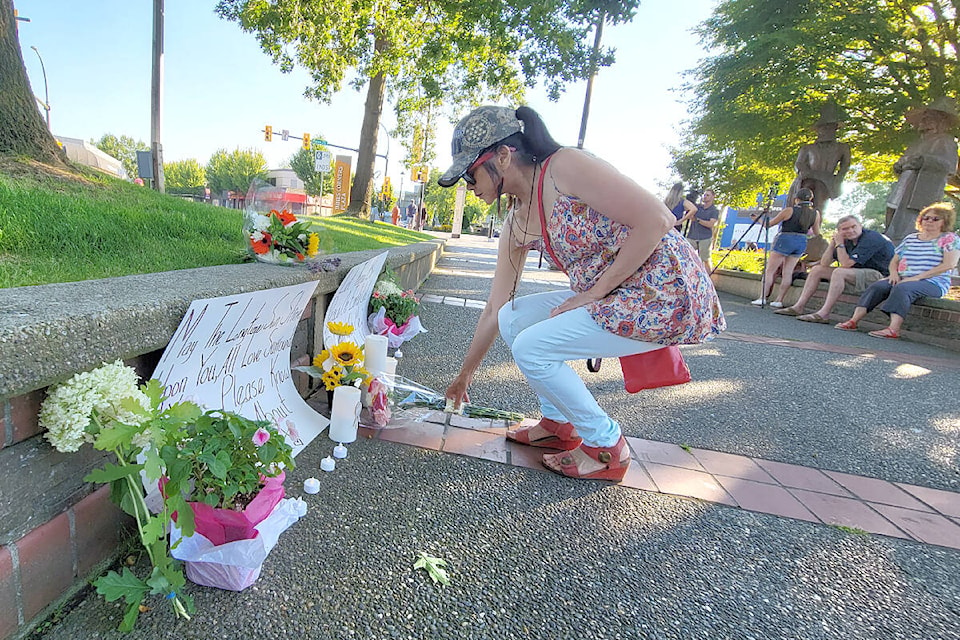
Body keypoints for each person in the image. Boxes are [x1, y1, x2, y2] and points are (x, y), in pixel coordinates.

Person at [437, 105, 725, 482]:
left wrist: (596, 291)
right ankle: (557, 424)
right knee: (514, 318)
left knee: (532, 347)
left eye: (470, 175)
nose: (469, 187)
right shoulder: (517, 219)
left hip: (663, 291)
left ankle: (607, 446)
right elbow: (494, 307)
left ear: (504, 156)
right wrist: (464, 376)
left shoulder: (564, 167)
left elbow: (657, 219)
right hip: (614, 296)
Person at [835, 203, 959, 339]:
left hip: (933, 282)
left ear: (944, 221)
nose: (929, 221)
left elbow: (949, 264)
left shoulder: (950, 239)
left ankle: (893, 329)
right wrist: (893, 274)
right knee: (878, 286)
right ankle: (853, 321)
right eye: (926, 218)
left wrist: (917, 278)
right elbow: (895, 260)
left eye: (935, 219)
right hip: (904, 278)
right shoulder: (911, 238)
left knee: (903, 288)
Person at [774, 215, 895, 323]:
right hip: (856, 273)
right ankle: (798, 307)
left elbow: (846, 264)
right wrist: (833, 244)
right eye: (845, 229)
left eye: (854, 226)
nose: (851, 231)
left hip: (881, 277)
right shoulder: (844, 241)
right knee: (817, 270)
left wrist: (840, 244)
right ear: (839, 232)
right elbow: (824, 263)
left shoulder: (871, 238)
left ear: (860, 226)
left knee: (839, 272)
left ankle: (824, 313)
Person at [885, 97, 959, 246]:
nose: (926, 122)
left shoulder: (946, 141)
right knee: (892, 210)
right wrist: (900, 165)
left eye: (931, 119)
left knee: (915, 217)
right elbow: (903, 161)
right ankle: (889, 240)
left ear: (942, 122)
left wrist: (924, 160)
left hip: (925, 187)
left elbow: (949, 166)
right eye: (924, 118)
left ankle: (909, 243)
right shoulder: (916, 143)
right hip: (905, 183)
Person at [749, 187, 822, 307]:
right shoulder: (815, 213)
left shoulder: (789, 210)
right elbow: (816, 232)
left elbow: (769, 225)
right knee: (788, 272)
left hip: (785, 239)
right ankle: (779, 300)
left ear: (797, 199)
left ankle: (762, 297)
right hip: (801, 241)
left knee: (770, 270)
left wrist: (757, 219)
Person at [785, 101, 851, 215]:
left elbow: (845, 166)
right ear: (819, 129)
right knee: (802, 199)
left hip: (827, 182)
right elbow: (798, 165)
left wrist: (837, 180)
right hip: (808, 179)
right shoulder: (808, 148)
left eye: (830, 126)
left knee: (820, 204)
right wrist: (807, 172)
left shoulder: (842, 147)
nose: (827, 130)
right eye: (824, 127)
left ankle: (815, 227)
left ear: (835, 128)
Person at [686, 188, 719, 271]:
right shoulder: (697, 207)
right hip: (692, 236)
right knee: (686, 255)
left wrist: (697, 220)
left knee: (705, 259)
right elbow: (688, 213)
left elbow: (710, 224)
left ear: (713, 197)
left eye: (707, 195)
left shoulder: (714, 210)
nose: (705, 197)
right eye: (704, 195)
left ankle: (709, 278)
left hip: (705, 238)